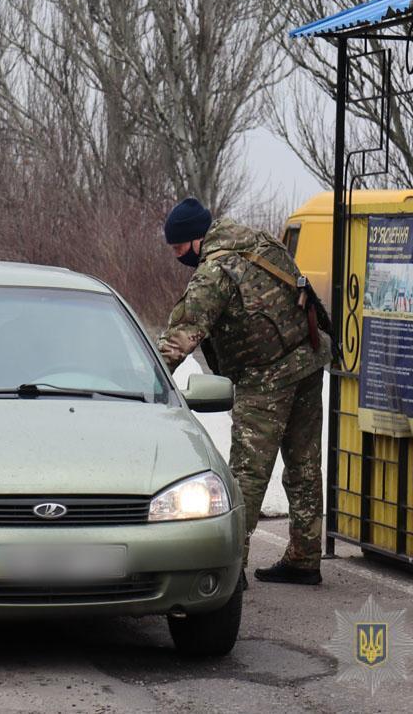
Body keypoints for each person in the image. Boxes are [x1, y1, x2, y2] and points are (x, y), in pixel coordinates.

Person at [157, 196, 331, 586]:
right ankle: (305, 558)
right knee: (304, 464)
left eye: (178, 248)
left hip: (266, 378)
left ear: (195, 239)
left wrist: (146, 378)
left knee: (246, 474)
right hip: (307, 360)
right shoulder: (258, 242)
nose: (176, 255)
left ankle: (233, 567)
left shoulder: (214, 271)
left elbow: (180, 337)